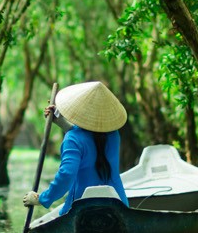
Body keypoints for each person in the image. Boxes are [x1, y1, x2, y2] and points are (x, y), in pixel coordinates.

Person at [22, 80, 129, 210]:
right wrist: (61, 122)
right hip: (118, 205)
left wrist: (42, 198)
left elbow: (67, 174)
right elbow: (90, 139)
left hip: (83, 210)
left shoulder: (73, 139)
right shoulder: (113, 134)